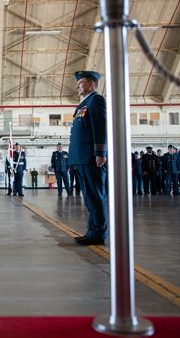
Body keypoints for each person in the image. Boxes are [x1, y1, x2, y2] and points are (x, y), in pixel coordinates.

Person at [69, 70, 107, 246]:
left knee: (95, 197)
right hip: (82, 158)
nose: (77, 86)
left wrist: (100, 153)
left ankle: (98, 233)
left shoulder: (96, 101)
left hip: (92, 158)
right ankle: (92, 231)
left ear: (91, 83)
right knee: (89, 198)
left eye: (81, 82)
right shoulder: (84, 104)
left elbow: (101, 128)